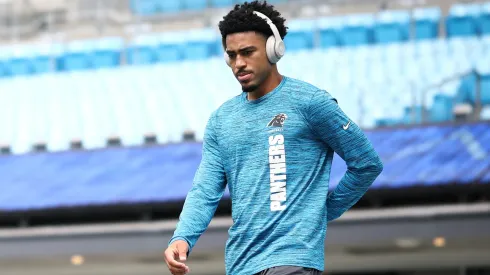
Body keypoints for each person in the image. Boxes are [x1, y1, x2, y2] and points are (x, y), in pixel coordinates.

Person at [164, 1, 383, 274]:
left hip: (292, 260)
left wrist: (321, 212)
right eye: (231, 55)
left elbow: (366, 163)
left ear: (273, 50)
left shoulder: (311, 103)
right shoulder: (221, 120)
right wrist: (183, 236)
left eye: (247, 52)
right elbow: (205, 189)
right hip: (240, 264)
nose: (238, 63)